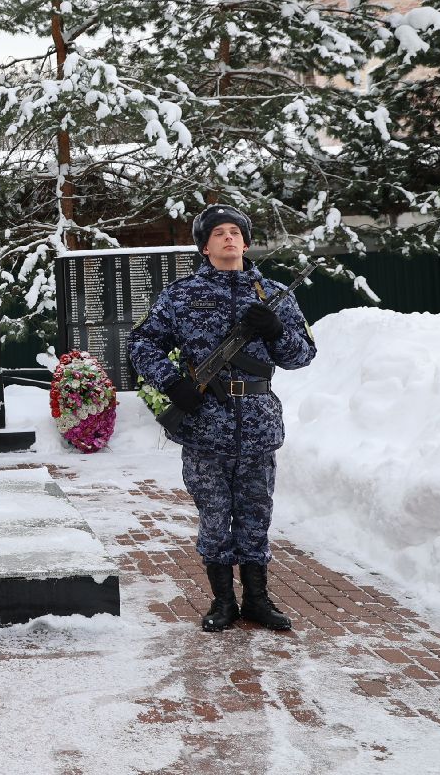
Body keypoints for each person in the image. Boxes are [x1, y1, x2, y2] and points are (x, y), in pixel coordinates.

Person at [128, 204, 317, 634]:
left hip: (257, 424)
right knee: (214, 515)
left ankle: (257, 600)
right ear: (204, 246)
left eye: (235, 231)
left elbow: (301, 355)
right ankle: (222, 601)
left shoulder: (273, 293)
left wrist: (274, 331)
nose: (228, 238)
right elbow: (142, 345)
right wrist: (172, 385)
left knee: (256, 514)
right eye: (218, 233)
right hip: (204, 426)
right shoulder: (181, 295)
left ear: (246, 242)